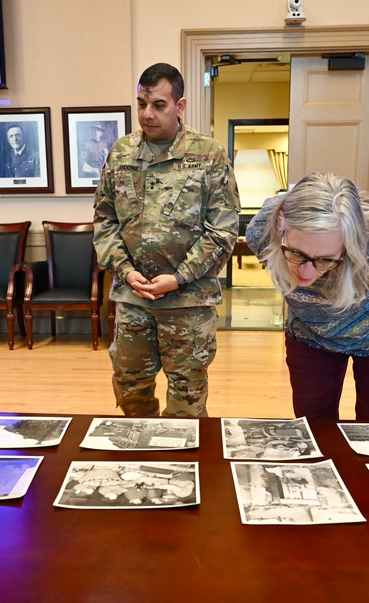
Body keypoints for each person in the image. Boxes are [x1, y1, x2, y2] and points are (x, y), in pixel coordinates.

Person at [93, 62, 239, 417]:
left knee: (187, 403)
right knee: (130, 392)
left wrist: (179, 277)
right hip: (134, 299)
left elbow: (223, 231)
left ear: (180, 105)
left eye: (158, 104)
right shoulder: (121, 154)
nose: (147, 113)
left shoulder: (209, 155)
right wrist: (125, 271)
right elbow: (104, 220)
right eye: (142, 103)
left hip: (187, 304)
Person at [245, 173, 369, 421]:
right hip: (311, 332)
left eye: (326, 259)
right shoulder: (262, 229)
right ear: (281, 228)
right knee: (314, 424)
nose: (306, 272)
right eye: (296, 253)